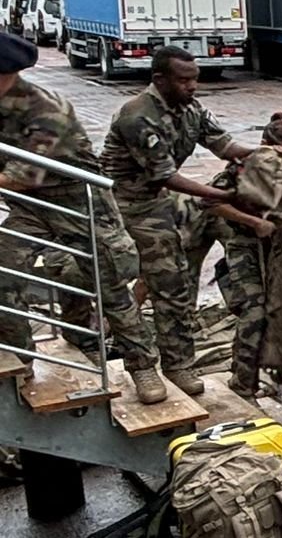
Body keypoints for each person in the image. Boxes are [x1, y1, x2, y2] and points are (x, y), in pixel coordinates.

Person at [0, 33, 167, 404]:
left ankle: (142, 366)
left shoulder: (45, 109)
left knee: (109, 284)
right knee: (4, 273)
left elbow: (22, 174)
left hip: (78, 201)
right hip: (28, 207)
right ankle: (21, 359)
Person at [100, 46, 261, 395]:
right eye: (184, 80)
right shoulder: (137, 115)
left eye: (195, 79)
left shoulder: (191, 109)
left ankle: (179, 366)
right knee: (120, 290)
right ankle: (142, 368)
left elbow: (223, 145)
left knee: (173, 287)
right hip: (120, 208)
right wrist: (218, 195)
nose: (192, 87)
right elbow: (164, 176)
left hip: (156, 206)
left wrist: (265, 152)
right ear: (160, 79)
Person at [212, 112, 282, 415]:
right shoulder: (242, 167)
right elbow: (211, 202)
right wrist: (252, 221)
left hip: (281, 249)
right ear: (265, 145)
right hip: (246, 246)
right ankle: (242, 384)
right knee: (256, 313)